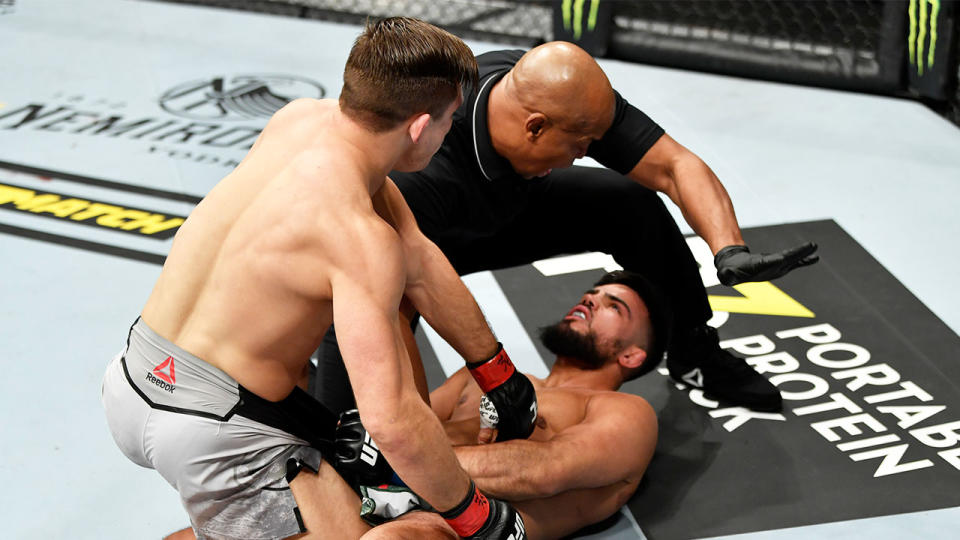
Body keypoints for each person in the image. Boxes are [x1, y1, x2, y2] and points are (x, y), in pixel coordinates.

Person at [101, 18, 535, 540]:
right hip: (211, 432)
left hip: (137, 375)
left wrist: (499, 375)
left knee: (347, 496)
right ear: (420, 126)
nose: (449, 136)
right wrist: (477, 517)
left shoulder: (300, 121)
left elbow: (419, 257)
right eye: (449, 121)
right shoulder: (357, 239)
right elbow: (392, 420)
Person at [314, 40, 818, 415]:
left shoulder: (557, 91)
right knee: (379, 326)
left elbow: (672, 165)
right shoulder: (426, 169)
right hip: (421, 238)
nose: (584, 155)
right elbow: (361, 308)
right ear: (535, 127)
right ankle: (338, 431)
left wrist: (728, 249)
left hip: (505, 204)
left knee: (629, 202)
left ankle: (697, 352)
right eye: (579, 147)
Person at [340, 270, 667, 540]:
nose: (590, 300)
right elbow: (407, 419)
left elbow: (542, 471)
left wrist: (399, 462)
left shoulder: (626, 411)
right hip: (370, 497)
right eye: (592, 295)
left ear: (632, 355)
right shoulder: (478, 379)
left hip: (450, 530)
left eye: (614, 306)